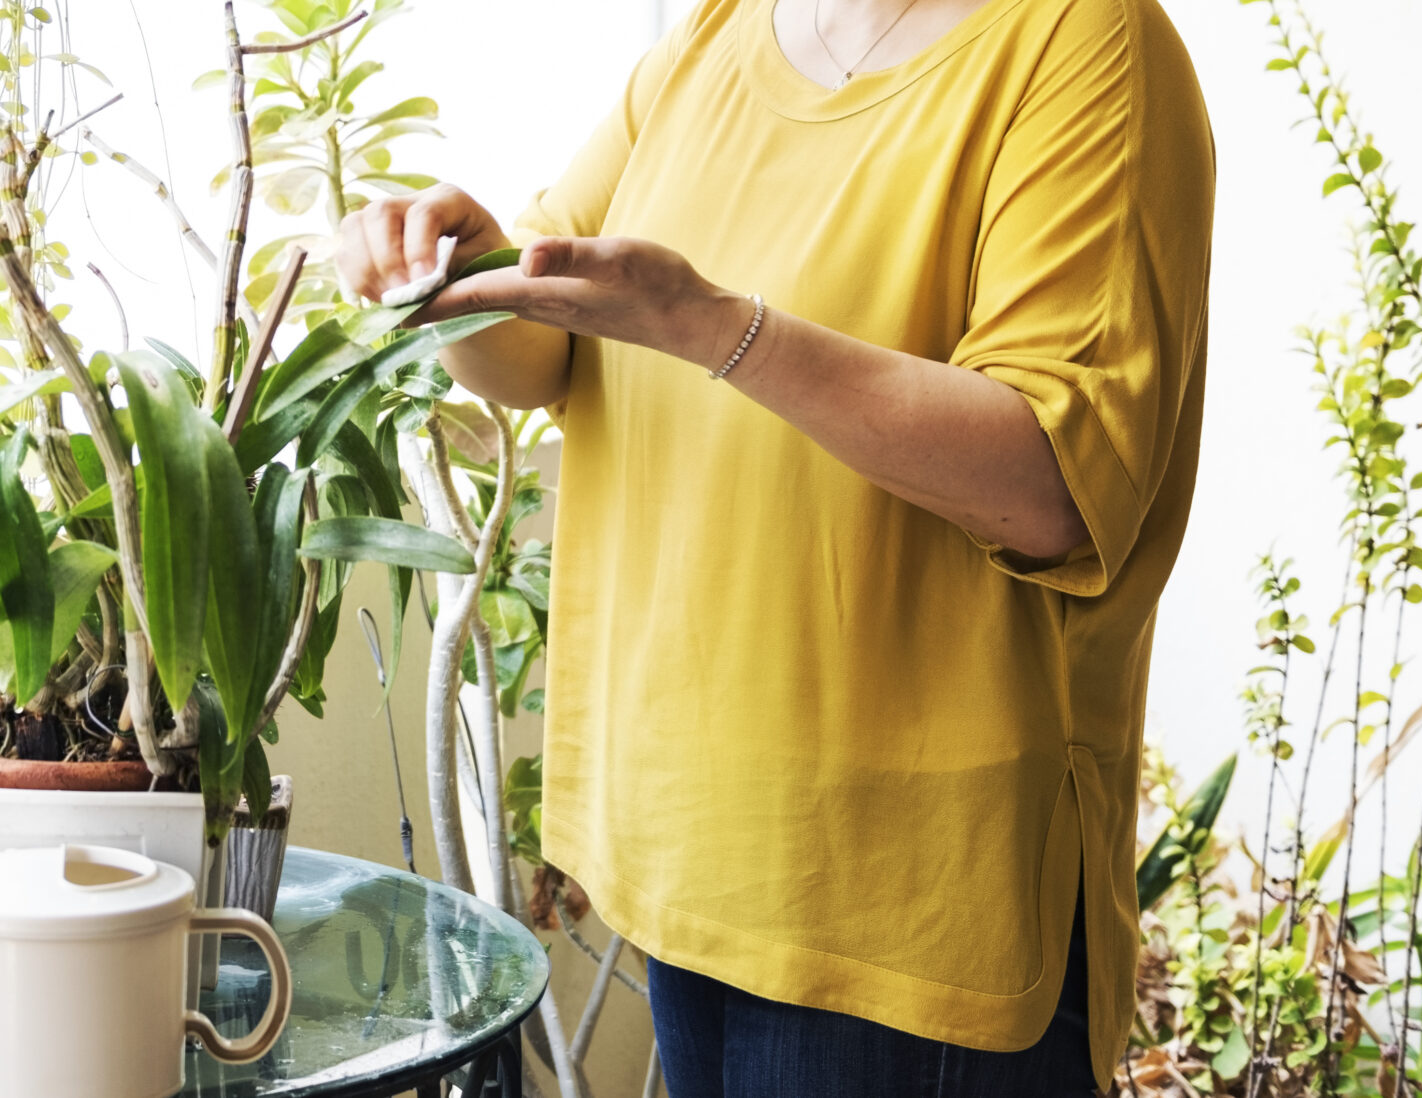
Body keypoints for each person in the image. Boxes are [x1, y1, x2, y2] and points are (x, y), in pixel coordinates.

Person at [336, 0, 1213, 1091]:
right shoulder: (715, 36)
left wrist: (711, 326)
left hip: (899, 896)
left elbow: (1047, 483)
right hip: (696, 848)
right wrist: (457, 280)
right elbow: (542, 345)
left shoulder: (1084, 42)